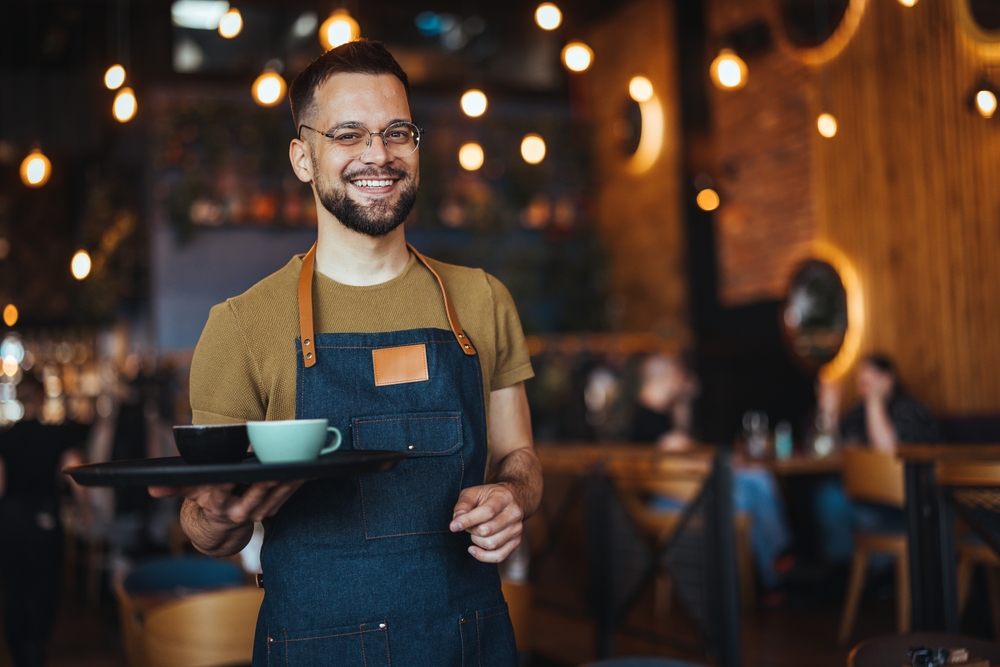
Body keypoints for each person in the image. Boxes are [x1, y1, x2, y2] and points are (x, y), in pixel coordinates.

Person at [149, 40, 541, 667]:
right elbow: (204, 526)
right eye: (349, 134)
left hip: (469, 644)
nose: (377, 155)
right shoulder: (241, 325)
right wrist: (221, 515)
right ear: (303, 158)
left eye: (397, 132)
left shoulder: (482, 300)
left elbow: (519, 457)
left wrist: (513, 497)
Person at [629, 353, 794, 592]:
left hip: (681, 489)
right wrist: (725, 462)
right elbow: (684, 456)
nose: (683, 376)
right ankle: (774, 572)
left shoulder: (654, 413)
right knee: (744, 495)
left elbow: (685, 446)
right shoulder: (647, 419)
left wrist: (683, 400)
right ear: (665, 377)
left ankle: (776, 566)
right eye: (678, 371)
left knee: (757, 477)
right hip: (668, 498)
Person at [814, 353, 939, 562]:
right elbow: (831, 450)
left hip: (911, 501)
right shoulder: (857, 412)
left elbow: (888, 459)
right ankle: (849, 571)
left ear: (888, 379)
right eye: (862, 384)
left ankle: (866, 572)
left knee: (831, 499)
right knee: (826, 494)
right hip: (870, 495)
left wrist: (874, 402)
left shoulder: (910, 410)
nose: (865, 389)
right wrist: (829, 413)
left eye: (869, 383)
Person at [0, 376, 89, 667]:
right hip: (45, 518)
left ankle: (18, 651)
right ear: (40, 398)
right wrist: (86, 507)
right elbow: (74, 473)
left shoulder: (5, 436)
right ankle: (36, 644)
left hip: (10, 519)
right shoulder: (55, 434)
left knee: (13, 589)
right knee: (46, 587)